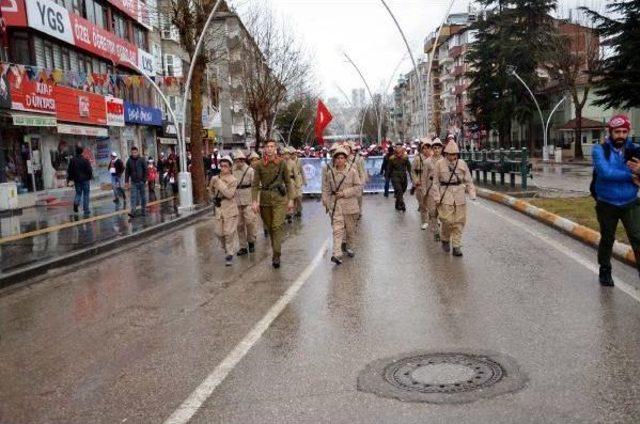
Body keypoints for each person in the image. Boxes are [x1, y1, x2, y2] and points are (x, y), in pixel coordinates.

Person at [592, 115, 640, 286]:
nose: (621, 135)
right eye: (617, 131)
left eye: (624, 131)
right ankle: (605, 270)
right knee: (607, 238)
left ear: (628, 132)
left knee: (637, 238)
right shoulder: (599, 150)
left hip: (631, 203)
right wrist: (632, 174)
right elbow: (606, 173)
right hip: (607, 203)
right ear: (610, 132)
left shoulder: (636, 150)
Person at [251, 139, 295, 268]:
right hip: (265, 200)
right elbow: (254, 185)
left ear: (275, 148)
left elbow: (287, 182)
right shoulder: (259, 165)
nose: (269, 149)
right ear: (264, 149)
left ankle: (276, 254)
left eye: (272, 146)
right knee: (270, 228)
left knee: (276, 226)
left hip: (279, 199)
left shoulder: (281, 163)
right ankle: (276, 248)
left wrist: (291, 199)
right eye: (267, 146)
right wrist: (254, 201)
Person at [432, 141, 476, 257]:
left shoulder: (462, 164)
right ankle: (445, 238)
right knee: (447, 220)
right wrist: (436, 197)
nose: (452, 156)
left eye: (454, 154)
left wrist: (472, 193)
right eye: (450, 154)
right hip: (445, 194)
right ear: (446, 153)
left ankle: (456, 246)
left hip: (459, 195)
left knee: (459, 222)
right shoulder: (439, 164)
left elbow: (468, 180)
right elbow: (435, 183)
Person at [322, 146, 362, 265]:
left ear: (345, 159)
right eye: (337, 158)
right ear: (334, 160)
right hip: (336, 206)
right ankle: (336, 253)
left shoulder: (352, 172)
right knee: (337, 230)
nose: (339, 160)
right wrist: (327, 202)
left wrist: (345, 193)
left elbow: (358, 188)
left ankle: (350, 246)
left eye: (342, 158)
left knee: (350, 230)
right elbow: (326, 189)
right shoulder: (330, 173)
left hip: (350, 205)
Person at [209, 156, 239, 266]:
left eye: (225, 166)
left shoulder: (233, 180)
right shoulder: (215, 178)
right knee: (218, 232)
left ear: (230, 168)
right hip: (219, 208)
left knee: (229, 232)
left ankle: (230, 254)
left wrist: (219, 183)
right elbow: (210, 190)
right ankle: (227, 248)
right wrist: (213, 198)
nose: (223, 168)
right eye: (221, 166)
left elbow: (229, 194)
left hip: (230, 207)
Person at [233, 149, 257, 256]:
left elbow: (255, 186)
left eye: (240, 160)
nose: (238, 162)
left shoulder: (250, 171)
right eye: (236, 160)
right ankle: (243, 246)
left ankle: (251, 241)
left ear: (243, 160)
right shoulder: (232, 170)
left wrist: (256, 201)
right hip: (237, 200)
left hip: (248, 199)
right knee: (239, 225)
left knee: (250, 222)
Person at [425, 138, 444, 241]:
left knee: (443, 212)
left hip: (443, 189)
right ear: (432, 149)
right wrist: (424, 191)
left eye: (438, 148)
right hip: (432, 188)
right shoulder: (427, 162)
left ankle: (443, 231)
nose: (437, 150)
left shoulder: (445, 161)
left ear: (441, 149)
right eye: (435, 148)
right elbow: (424, 178)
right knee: (433, 211)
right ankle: (436, 232)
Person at [66, 145, 93, 217]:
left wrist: (70, 179)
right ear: (82, 152)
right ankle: (86, 209)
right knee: (86, 194)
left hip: (77, 180)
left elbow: (69, 170)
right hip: (85, 180)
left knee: (78, 193)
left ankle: (76, 203)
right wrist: (90, 177)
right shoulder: (85, 160)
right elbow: (89, 170)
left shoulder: (72, 160)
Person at [411, 140, 432, 229]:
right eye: (424, 148)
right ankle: (425, 221)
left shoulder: (434, 159)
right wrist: (416, 181)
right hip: (420, 184)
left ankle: (434, 218)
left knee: (433, 204)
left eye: (428, 148)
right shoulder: (418, 158)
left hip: (431, 184)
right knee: (423, 204)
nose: (426, 150)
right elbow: (412, 171)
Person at [386, 142, 412, 212]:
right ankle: (402, 204)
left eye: (400, 152)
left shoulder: (405, 158)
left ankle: (397, 203)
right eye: (397, 152)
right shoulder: (392, 158)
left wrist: (412, 177)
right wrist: (387, 177)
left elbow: (409, 168)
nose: (399, 154)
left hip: (403, 176)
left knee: (403, 189)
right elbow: (389, 168)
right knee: (399, 190)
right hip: (395, 176)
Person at [125, 146, 147, 218]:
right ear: (131, 153)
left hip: (141, 182)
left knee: (143, 197)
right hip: (134, 182)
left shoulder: (141, 159)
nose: (134, 154)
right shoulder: (129, 160)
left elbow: (145, 170)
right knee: (133, 197)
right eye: (133, 153)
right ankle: (133, 212)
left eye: (135, 152)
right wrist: (126, 181)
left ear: (137, 152)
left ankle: (143, 211)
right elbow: (127, 172)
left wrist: (144, 180)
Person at [283, 147, 303, 223]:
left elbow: (296, 175)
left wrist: (298, 185)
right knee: (284, 199)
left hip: (291, 182)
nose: (286, 156)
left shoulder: (292, 163)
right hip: (283, 183)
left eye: (287, 154)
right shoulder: (281, 162)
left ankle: (291, 213)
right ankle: (285, 214)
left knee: (292, 198)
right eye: (284, 154)